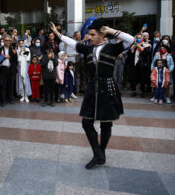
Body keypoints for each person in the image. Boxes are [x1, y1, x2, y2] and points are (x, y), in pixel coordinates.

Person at [50, 19, 134, 169]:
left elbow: (131, 40)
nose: (88, 37)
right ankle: (97, 153)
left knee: (106, 124)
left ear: (101, 35)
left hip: (107, 88)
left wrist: (111, 30)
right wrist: (57, 33)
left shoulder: (112, 48)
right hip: (92, 89)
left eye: (92, 34)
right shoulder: (88, 49)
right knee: (86, 122)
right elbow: (72, 43)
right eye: (88, 34)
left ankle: (101, 153)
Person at [127, 33, 151, 97]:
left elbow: (147, 52)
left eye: (140, 37)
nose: (138, 39)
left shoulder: (146, 45)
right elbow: (129, 53)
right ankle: (133, 91)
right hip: (134, 64)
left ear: (142, 38)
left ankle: (142, 92)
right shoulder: (132, 45)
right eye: (137, 37)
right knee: (133, 78)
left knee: (142, 78)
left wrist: (140, 46)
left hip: (142, 64)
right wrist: (133, 48)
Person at [0, 35, 17, 106]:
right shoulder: (0, 49)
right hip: (3, 69)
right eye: (6, 40)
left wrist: (14, 54)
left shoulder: (12, 49)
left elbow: (16, 59)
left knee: (11, 85)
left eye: (9, 41)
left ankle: (10, 99)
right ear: (3, 41)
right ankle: (3, 100)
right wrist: (4, 57)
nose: (8, 42)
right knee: (3, 86)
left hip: (11, 69)